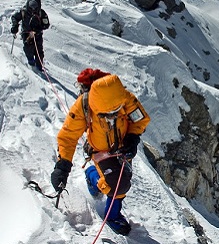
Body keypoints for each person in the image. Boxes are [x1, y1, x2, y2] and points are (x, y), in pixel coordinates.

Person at [50, 68, 151, 235]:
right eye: (106, 113)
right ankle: (112, 215)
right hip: (100, 151)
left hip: (122, 147)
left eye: (115, 111)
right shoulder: (84, 105)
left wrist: (132, 138)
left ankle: (92, 175)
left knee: (124, 178)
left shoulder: (125, 98)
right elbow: (68, 136)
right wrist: (62, 165)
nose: (112, 115)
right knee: (118, 185)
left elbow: (140, 119)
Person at [10, 0, 50, 71]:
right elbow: (14, 17)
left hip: (37, 34)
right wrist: (15, 25)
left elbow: (46, 24)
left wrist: (39, 28)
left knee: (39, 51)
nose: (33, 8)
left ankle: (39, 66)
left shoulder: (41, 13)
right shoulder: (23, 11)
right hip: (26, 33)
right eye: (31, 6)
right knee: (28, 48)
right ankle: (31, 62)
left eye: (35, 6)